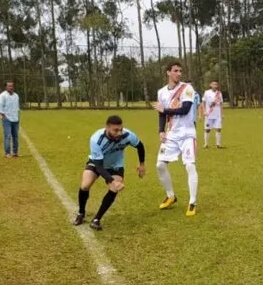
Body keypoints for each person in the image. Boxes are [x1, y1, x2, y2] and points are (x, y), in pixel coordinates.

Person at [73, 115, 145, 231]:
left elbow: (140, 146)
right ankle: (81, 213)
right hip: (97, 163)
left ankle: (96, 219)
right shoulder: (96, 139)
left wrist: (142, 164)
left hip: (115, 166)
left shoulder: (128, 135)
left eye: (120, 129)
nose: (119, 133)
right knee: (85, 185)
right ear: (107, 128)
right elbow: (99, 167)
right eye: (115, 130)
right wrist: (112, 181)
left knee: (114, 189)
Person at [152, 62, 199, 217]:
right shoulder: (161, 92)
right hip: (171, 134)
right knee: (160, 165)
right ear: (168, 73)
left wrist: (165, 110)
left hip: (187, 134)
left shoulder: (187, 88)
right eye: (175, 71)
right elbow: (161, 114)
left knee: (190, 166)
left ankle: (192, 203)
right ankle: (171, 196)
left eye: (180, 71)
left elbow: (185, 110)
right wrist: (161, 131)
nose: (179, 73)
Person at [0, 80, 20, 158]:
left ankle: (15, 152)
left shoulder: (16, 95)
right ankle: (7, 153)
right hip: (7, 119)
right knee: (8, 136)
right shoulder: (2, 96)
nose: (11, 87)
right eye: (9, 86)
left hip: (15, 119)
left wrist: (18, 117)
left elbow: (17, 108)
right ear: (6, 87)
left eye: (12, 86)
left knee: (15, 136)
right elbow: (0, 107)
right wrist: (4, 117)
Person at [202, 80, 224, 148]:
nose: (215, 86)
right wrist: (204, 111)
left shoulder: (219, 93)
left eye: (216, 84)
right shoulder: (206, 92)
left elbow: (221, 104)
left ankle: (218, 144)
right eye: (213, 84)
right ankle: (206, 144)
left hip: (217, 114)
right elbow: (203, 102)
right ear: (210, 85)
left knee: (218, 128)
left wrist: (222, 113)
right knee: (207, 129)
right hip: (209, 114)